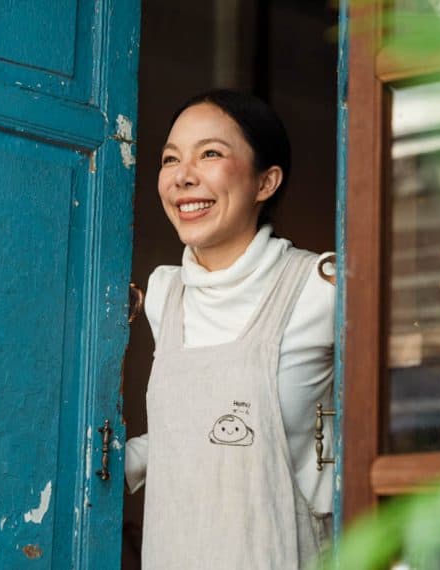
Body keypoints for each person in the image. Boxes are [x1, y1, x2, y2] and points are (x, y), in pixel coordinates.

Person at [124, 89, 335, 569]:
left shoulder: (319, 287)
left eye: (210, 154)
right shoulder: (164, 295)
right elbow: (201, 430)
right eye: (171, 158)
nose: (183, 176)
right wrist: (107, 465)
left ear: (266, 182)